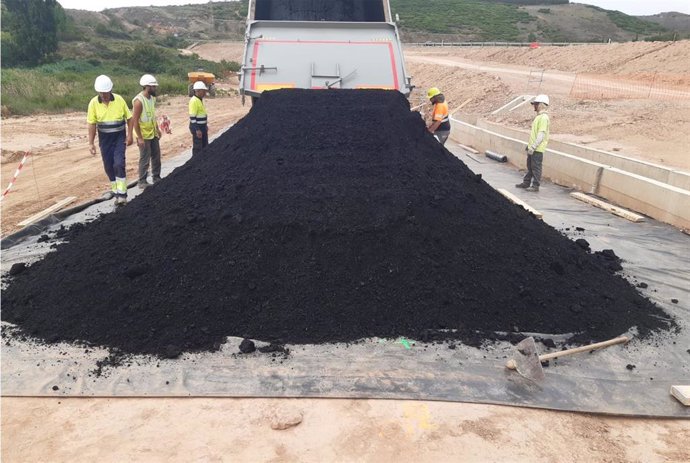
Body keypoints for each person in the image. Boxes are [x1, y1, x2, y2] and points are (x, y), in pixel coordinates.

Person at [87, 75, 133, 205]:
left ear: (110, 90)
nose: (103, 95)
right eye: (101, 92)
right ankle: (116, 191)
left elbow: (129, 118)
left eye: (105, 92)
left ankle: (122, 194)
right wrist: (91, 143)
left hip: (119, 137)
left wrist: (130, 135)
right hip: (104, 139)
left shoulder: (119, 100)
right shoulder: (93, 103)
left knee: (118, 164)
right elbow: (91, 124)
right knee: (108, 166)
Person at [130, 74, 162, 188]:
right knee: (145, 157)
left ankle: (156, 177)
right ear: (147, 87)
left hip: (152, 132)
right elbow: (135, 121)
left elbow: (152, 116)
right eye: (153, 86)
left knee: (156, 156)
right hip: (143, 135)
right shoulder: (139, 101)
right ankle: (142, 181)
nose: (155, 88)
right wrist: (139, 137)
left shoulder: (152, 99)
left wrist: (157, 129)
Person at [516, 94, 550, 192]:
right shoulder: (539, 117)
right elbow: (535, 134)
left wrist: (534, 147)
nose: (534, 106)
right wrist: (530, 146)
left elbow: (541, 134)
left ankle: (535, 186)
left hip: (537, 149)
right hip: (532, 148)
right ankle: (526, 183)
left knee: (536, 168)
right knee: (530, 167)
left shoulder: (544, 118)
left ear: (541, 105)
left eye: (535, 104)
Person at [189, 81, 209, 156]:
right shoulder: (194, 101)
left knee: (204, 145)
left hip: (202, 127)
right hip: (197, 127)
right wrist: (197, 129)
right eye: (203, 91)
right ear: (198, 91)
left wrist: (205, 125)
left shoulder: (199, 100)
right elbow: (192, 117)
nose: (204, 93)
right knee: (198, 147)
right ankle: (196, 162)